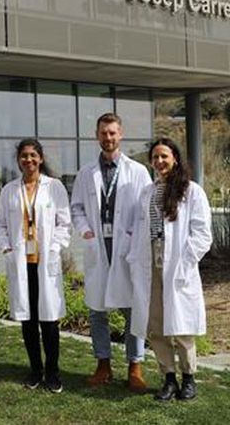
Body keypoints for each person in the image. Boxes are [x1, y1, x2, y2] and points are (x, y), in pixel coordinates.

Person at [70, 112, 151, 392]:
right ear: (97, 135)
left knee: (131, 310)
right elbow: (76, 208)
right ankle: (103, 365)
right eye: (104, 133)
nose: (108, 138)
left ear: (121, 134)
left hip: (125, 249)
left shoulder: (137, 172)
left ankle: (135, 366)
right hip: (98, 248)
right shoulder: (85, 173)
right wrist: (86, 232)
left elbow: (145, 210)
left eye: (113, 133)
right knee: (97, 312)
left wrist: (130, 235)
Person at [127, 138, 212, 402]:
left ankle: (188, 379)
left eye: (164, 156)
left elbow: (202, 234)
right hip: (150, 263)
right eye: (155, 158)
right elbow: (140, 231)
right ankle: (168, 379)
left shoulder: (192, 191)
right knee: (156, 326)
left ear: (175, 157)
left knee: (182, 326)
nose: (159, 162)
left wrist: (185, 263)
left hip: (177, 264)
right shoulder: (147, 193)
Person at [0, 139, 72, 393]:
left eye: (32, 155)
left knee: (48, 321)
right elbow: (1, 225)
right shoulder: (9, 190)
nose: (28, 160)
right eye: (24, 156)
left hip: (45, 262)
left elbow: (64, 222)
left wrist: (54, 248)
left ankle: (53, 373)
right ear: (18, 160)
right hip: (21, 263)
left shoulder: (55, 187)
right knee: (28, 321)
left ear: (40, 158)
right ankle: (34, 370)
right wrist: (7, 247)